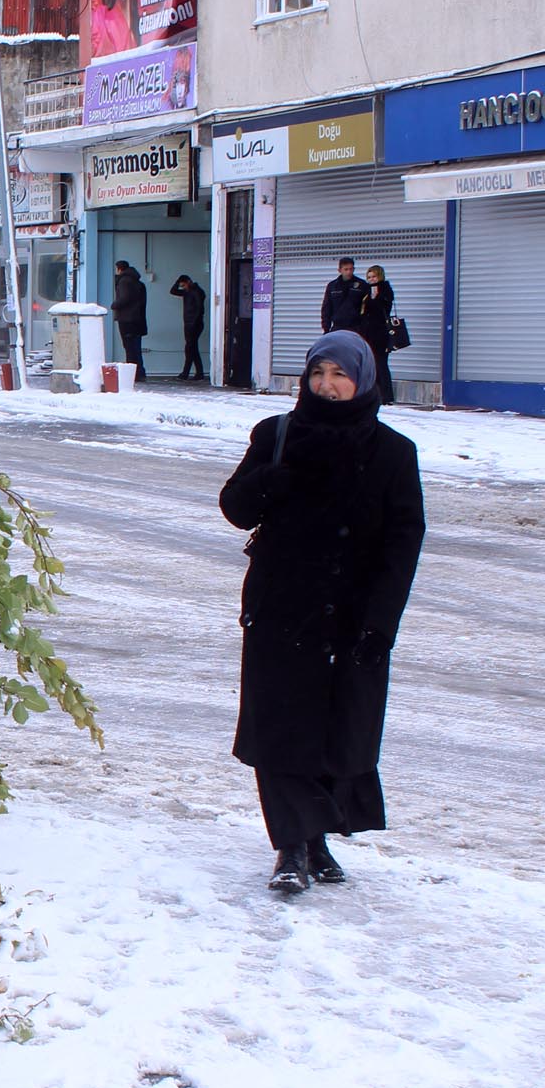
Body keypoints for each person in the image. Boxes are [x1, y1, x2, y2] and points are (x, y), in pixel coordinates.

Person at [218, 331, 426, 896]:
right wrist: (279, 477)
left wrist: (382, 623)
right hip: (282, 609)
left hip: (351, 615)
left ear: (362, 379)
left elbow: (403, 541)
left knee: (340, 730)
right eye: (318, 374)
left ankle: (317, 840)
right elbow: (236, 507)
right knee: (282, 728)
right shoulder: (278, 436)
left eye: (340, 375)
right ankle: (290, 844)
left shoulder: (392, 452)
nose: (327, 386)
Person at [361, 264, 398, 405]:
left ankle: (386, 396)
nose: (371, 280)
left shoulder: (384, 290)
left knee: (381, 364)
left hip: (380, 333)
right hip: (368, 332)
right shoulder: (367, 290)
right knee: (372, 364)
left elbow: (380, 310)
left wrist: (375, 298)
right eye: (369, 277)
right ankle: (375, 394)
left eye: (374, 276)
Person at [110, 260, 148, 379]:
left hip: (127, 319)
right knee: (136, 347)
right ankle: (140, 372)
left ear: (119, 269)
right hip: (138, 319)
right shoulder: (139, 283)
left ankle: (133, 375)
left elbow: (125, 298)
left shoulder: (124, 281)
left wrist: (114, 305)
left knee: (129, 348)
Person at [319, 256, 370, 338]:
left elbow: (368, 308)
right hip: (338, 327)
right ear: (340, 270)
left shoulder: (362, 285)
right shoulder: (332, 286)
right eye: (346, 269)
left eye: (351, 269)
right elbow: (326, 308)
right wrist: (326, 329)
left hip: (356, 327)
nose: (349, 272)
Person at [171, 273, 208, 381]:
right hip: (190, 323)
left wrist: (194, 322)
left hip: (193, 324)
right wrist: (177, 283)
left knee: (189, 348)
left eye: (183, 285)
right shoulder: (188, 292)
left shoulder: (196, 292)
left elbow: (199, 308)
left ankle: (186, 373)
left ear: (188, 282)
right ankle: (199, 373)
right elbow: (173, 291)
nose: (183, 287)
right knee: (192, 348)